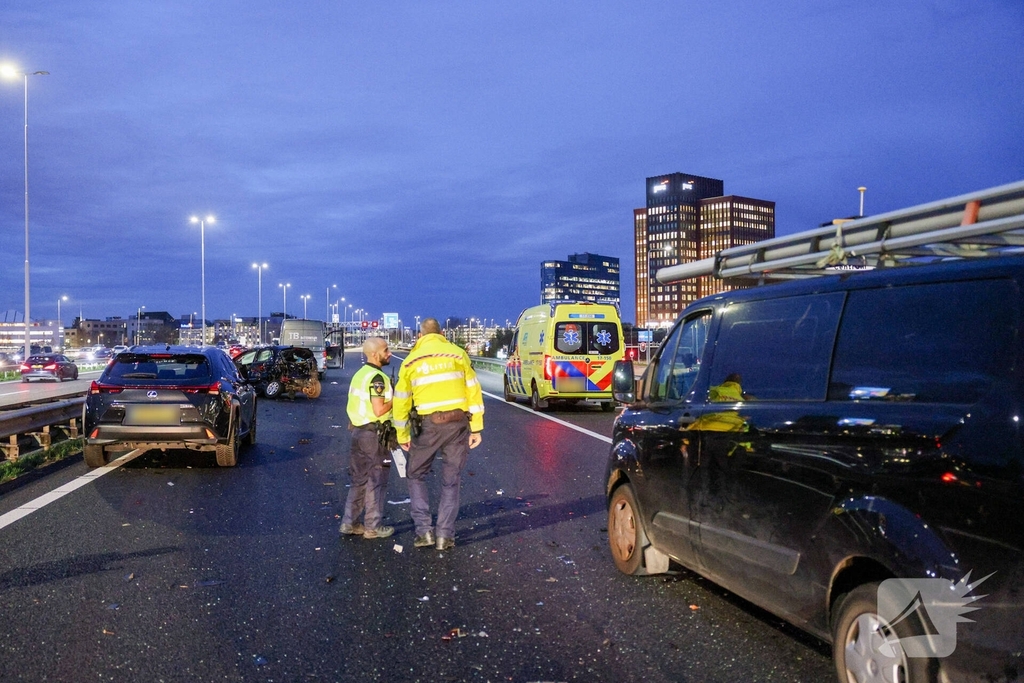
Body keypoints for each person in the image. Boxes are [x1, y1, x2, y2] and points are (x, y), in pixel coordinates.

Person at [393, 318, 484, 551]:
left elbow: (401, 401)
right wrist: (476, 427)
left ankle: (424, 532)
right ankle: (445, 536)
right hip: (458, 423)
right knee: (451, 480)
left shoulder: (411, 360)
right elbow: (473, 390)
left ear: (420, 336)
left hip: (428, 425)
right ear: (442, 334)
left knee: (415, 474)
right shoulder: (458, 354)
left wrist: (402, 434)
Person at [339, 337, 395, 539]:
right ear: (374, 354)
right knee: (376, 480)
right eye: (385, 350)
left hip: (358, 432)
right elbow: (379, 410)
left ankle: (350, 523)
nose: (389, 353)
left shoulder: (359, 374)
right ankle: (373, 527)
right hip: (374, 436)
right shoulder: (377, 378)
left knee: (359, 480)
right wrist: (396, 399)